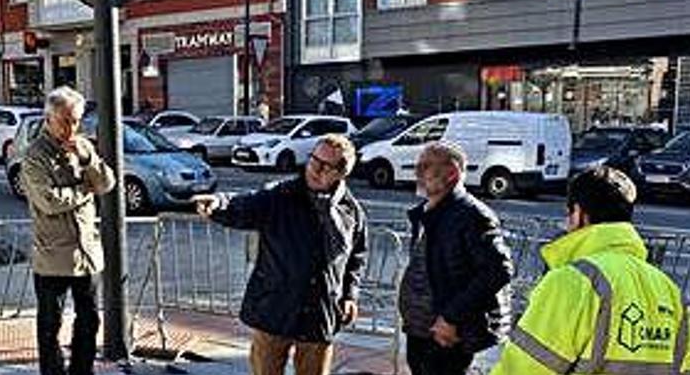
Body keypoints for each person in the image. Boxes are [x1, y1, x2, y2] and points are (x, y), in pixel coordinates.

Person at [491, 167, 690, 375]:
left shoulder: (573, 281)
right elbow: (687, 365)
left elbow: (524, 368)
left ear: (579, 213)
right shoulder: (668, 290)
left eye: (569, 214)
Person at [193, 134, 367, 375]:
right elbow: (248, 205)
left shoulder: (352, 211)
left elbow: (356, 257)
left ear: (341, 173)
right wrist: (219, 203)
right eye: (313, 159)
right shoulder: (281, 195)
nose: (314, 169)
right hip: (275, 308)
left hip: (319, 311)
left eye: (325, 166)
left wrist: (350, 295)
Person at [21, 86, 116, 375]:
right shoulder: (35, 155)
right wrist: (85, 189)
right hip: (53, 257)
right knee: (50, 325)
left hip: (87, 254)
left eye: (76, 120)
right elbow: (49, 201)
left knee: (89, 321)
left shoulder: (83, 146)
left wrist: (88, 160)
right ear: (49, 119)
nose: (71, 127)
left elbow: (108, 183)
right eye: (65, 120)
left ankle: (81, 371)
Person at [399, 142, 514, 375]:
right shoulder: (428, 211)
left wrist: (451, 317)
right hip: (421, 330)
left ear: (452, 173)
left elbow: (498, 270)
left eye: (425, 166)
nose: (417, 172)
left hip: (445, 335)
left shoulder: (471, 215)